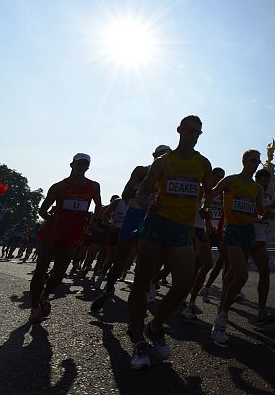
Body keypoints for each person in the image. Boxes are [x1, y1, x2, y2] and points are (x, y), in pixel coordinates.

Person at [127, 115, 212, 369]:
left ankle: (154, 325)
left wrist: (204, 210)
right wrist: (148, 204)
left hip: (182, 230)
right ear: (179, 130)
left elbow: (207, 195)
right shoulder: (163, 162)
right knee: (141, 283)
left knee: (183, 285)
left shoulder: (203, 163)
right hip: (156, 226)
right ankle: (138, 341)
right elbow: (140, 193)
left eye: (198, 132)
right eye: (190, 130)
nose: (194, 135)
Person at [89, 145, 168, 313]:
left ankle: (145, 291)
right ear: (154, 156)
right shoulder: (141, 170)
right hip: (135, 214)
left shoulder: (169, 175)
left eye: (167, 156)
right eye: (161, 155)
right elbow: (125, 194)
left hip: (155, 218)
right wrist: (144, 190)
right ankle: (109, 288)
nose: (163, 159)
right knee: (121, 256)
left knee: (151, 258)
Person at [29, 153, 102, 323]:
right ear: (72, 165)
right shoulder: (59, 187)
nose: (81, 167)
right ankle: (34, 309)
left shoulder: (93, 186)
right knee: (41, 269)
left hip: (73, 233)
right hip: (53, 231)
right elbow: (42, 210)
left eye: (85, 165)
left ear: (88, 167)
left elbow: (98, 204)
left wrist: (94, 220)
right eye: (78, 164)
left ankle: (45, 296)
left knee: (61, 272)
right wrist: (50, 217)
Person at [210, 150, 265, 345]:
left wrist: (267, 209)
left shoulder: (257, 188)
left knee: (233, 274)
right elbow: (212, 193)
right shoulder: (230, 180)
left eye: (258, 161)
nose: (256, 164)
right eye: (253, 160)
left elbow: (260, 212)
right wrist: (204, 205)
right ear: (243, 161)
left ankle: (220, 315)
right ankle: (222, 314)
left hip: (248, 232)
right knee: (242, 275)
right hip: (232, 230)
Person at [181, 166, 226, 320]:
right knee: (207, 264)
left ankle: (184, 296)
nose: (218, 179)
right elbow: (199, 209)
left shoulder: (223, 195)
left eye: (221, 177)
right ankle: (191, 302)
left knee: (198, 267)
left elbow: (222, 215)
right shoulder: (202, 190)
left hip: (214, 232)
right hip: (199, 229)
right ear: (211, 177)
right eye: (216, 176)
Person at [252, 168, 275, 324]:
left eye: (268, 181)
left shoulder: (268, 196)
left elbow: (268, 215)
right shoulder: (251, 191)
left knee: (265, 272)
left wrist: (271, 213)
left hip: (260, 237)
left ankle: (261, 310)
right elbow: (253, 211)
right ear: (258, 179)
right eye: (264, 180)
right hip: (246, 234)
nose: (267, 183)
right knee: (237, 276)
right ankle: (223, 309)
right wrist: (269, 209)